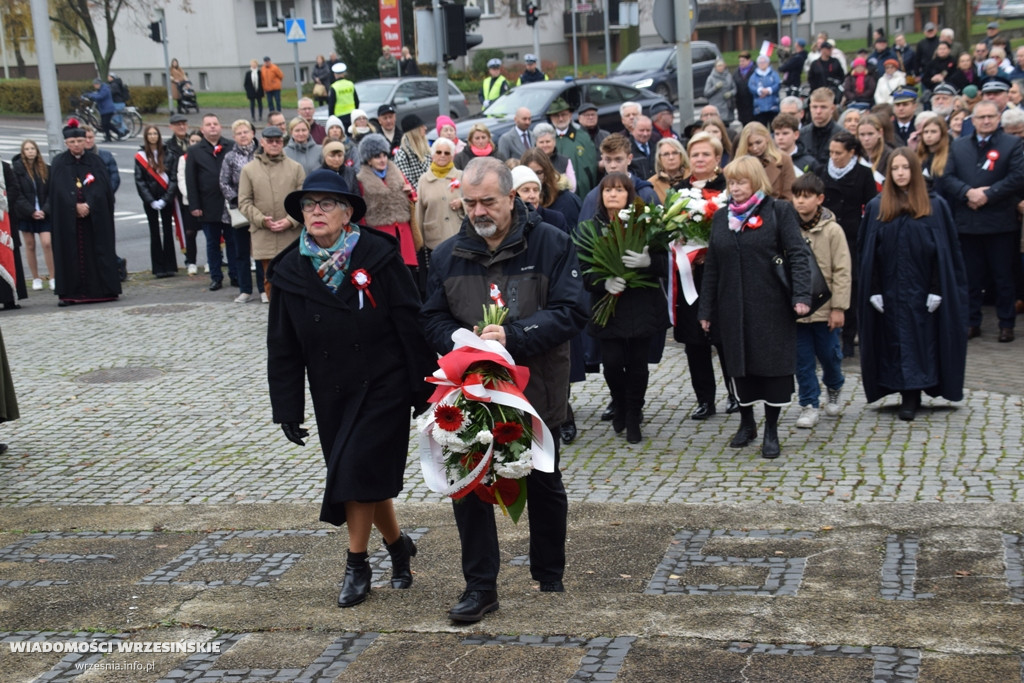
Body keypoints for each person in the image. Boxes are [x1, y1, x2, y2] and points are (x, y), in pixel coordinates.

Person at [421, 157, 588, 622]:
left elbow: (573, 311)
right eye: (470, 202)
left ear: (512, 198)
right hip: (470, 393)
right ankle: (480, 587)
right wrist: (462, 343)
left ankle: (549, 570)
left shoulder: (553, 243)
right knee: (468, 485)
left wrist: (515, 336)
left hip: (535, 389)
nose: (478, 210)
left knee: (543, 481)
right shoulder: (446, 254)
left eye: (488, 201)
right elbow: (430, 317)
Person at [267, 169, 433, 608]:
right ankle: (399, 547)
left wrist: (425, 389)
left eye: (326, 204)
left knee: (355, 472)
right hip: (331, 390)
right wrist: (287, 407)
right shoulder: (287, 269)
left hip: (384, 383)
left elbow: (409, 321)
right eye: (308, 205)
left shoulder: (378, 254)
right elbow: (282, 346)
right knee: (363, 476)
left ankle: (356, 564)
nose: (315, 211)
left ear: (346, 213)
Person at [698, 155, 814, 459]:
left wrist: (801, 296)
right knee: (739, 369)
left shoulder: (779, 211)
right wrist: (706, 310)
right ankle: (746, 423)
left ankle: (771, 430)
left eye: (741, 182)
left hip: (771, 307)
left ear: (755, 182)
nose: (734, 188)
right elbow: (713, 267)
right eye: (730, 182)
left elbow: (798, 255)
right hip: (732, 308)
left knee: (772, 370)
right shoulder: (722, 218)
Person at [859, 148, 968, 420]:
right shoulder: (877, 206)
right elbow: (869, 252)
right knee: (893, 339)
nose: (900, 173)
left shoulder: (935, 206)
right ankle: (901, 388)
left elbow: (945, 252)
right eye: (895, 169)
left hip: (923, 289)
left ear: (914, 171)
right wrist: (873, 289)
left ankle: (915, 391)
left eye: (905, 168)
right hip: (890, 288)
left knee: (923, 339)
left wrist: (937, 288)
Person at [580, 173, 669, 444]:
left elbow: (662, 263)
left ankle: (633, 415)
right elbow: (583, 269)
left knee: (638, 365)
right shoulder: (592, 227)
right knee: (613, 363)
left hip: (641, 304)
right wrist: (603, 282)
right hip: (610, 306)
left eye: (619, 189)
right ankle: (619, 402)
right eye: (607, 190)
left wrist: (647, 262)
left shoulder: (645, 223)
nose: (612, 194)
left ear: (629, 194)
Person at [938, 100, 1024, 342]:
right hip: (968, 222)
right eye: (981, 117)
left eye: (990, 116)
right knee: (971, 278)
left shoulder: (1013, 144)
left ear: (998, 118)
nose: (986, 121)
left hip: (1001, 223)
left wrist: (988, 194)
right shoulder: (958, 145)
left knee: (1003, 277)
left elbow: (1017, 176)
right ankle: (971, 322)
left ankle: (1006, 324)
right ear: (972, 121)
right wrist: (968, 192)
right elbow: (947, 177)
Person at [668, 132, 737, 421]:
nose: (699, 159)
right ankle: (704, 399)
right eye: (694, 154)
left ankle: (736, 394)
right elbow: (669, 229)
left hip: (721, 274)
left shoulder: (728, 189)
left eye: (705, 154)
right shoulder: (679, 191)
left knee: (724, 337)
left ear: (717, 158)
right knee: (696, 341)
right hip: (690, 275)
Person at [790, 173, 851, 429]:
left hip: (825, 309)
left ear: (820, 199)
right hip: (798, 310)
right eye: (796, 196)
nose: (800, 202)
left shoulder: (833, 230)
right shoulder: (788, 228)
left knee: (829, 355)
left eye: (807, 197)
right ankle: (809, 403)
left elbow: (842, 270)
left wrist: (838, 307)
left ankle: (834, 386)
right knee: (802, 360)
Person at [47, 121, 121, 306]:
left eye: (80, 141)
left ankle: (102, 290)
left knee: (97, 252)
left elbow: (103, 188)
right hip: (69, 221)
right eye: (72, 141)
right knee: (70, 253)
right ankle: (71, 292)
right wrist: (74, 206)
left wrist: (89, 204)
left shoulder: (95, 162)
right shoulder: (59, 163)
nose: (76, 145)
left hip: (93, 219)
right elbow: (58, 192)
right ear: (66, 143)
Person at [819, 129, 878, 357]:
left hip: (852, 236)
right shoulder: (823, 171)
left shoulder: (863, 173)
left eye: (839, 153)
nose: (834, 156)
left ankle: (848, 337)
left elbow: (871, 204)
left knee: (850, 286)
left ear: (851, 152)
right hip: (827, 235)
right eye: (831, 152)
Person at [238, 126, 305, 304]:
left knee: (294, 278)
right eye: (270, 141)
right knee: (269, 280)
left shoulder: (296, 168)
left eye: (278, 141)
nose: (274, 144)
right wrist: (261, 220)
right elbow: (244, 201)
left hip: (290, 234)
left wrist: (290, 221)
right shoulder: (249, 169)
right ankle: (276, 320)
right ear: (262, 142)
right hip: (264, 233)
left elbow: (304, 201)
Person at [355, 134, 420, 280]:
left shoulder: (397, 172)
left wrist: (410, 193)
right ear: (369, 160)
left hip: (404, 231)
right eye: (377, 156)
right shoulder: (361, 180)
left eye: (384, 155)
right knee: (387, 273)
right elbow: (362, 212)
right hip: (381, 232)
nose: (382, 159)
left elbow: (413, 197)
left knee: (408, 274)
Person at [185, 113, 236, 292]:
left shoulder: (231, 146)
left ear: (220, 127)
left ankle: (235, 274)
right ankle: (216, 277)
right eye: (208, 124)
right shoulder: (194, 151)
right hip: (208, 205)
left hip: (230, 204)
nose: (212, 127)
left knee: (233, 241)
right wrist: (195, 205)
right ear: (202, 129)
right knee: (212, 243)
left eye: (215, 123)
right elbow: (191, 180)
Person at [218, 120, 260, 302]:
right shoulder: (229, 157)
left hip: (259, 208)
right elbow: (223, 182)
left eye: (246, 131)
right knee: (241, 252)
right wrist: (238, 199)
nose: (243, 135)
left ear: (252, 133)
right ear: (234, 137)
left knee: (260, 251)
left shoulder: (261, 154)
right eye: (239, 133)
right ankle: (245, 289)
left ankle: (264, 289)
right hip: (238, 211)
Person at [134, 125, 179, 279]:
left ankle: (170, 266)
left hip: (166, 198)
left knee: (168, 231)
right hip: (150, 201)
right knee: (154, 232)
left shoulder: (169, 154)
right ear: (146, 137)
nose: (153, 136)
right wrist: (151, 200)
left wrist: (166, 199)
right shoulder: (140, 156)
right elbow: (139, 181)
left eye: (155, 134)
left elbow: (173, 178)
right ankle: (158, 268)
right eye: (150, 134)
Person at [11, 140, 54, 291]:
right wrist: (31, 211)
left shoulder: (46, 169)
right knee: (30, 245)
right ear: (23, 152)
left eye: (32, 148)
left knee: (47, 243)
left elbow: (51, 193)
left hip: (44, 213)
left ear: (37, 151)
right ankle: (36, 278)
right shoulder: (17, 170)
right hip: (26, 213)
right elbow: (17, 194)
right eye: (27, 149)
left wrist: (45, 210)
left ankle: (53, 277)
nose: (30, 151)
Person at [415, 136, 463, 254]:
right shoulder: (424, 180)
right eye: (439, 152)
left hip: (458, 235)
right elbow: (419, 211)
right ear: (433, 155)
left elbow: (472, 200)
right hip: (435, 239)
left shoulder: (461, 176)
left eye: (447, 153)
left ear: (452, 156)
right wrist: (418, 239)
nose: (442, 155)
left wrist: (462, 202)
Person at [548, 99, 598, 198]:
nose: (560, 119)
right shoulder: (546, 139)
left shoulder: (582, 137)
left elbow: (591, 169)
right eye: (556, 116)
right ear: (551, 118)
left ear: (570, 115)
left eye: (564, 114)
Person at [735, 122, 796, 200]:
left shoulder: (783, 159)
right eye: (750, 145)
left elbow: (789, 194)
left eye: (758, 142)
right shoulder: (739, 164)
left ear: (767, 138)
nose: (755, 148)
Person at [176, 128, 204, 276]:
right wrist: (192, 197)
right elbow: (181, 179)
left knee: (210, 233)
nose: (194, 144)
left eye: (198, 141)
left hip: (206, 201)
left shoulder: (207, 156)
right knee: (190, 232)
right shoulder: (183, 159)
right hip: (189, 202)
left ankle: (210, 262)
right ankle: (191, 261)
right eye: (192, 141)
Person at [800, 88, 840, 174]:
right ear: (810, 107)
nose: (818, 111)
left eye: (823, 107)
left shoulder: (842, 135)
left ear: (832, 109)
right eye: (814, 107)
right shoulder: (801, 134)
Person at [532, 123, 577, 193]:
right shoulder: (531, 161)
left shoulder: (565, 161)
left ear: (554, 142)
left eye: (548, 141)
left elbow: (572, 187)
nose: (545, 145)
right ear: (536, 143)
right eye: (541, 142)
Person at [394, 114, 430, 193]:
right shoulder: (402, 155)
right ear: (415, 131)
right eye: (422, 126)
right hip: (418, 199)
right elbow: (409, 183)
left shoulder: (426, 149)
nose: (425, 128)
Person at [916, 114, 951, 191]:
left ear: (942, 133)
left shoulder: (950, 156)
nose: (928, 135)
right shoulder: (919, 155)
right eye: (926, 132)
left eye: (933, 132)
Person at [648, 137, 689, 203]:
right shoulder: (651, 184)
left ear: (681, 155)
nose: (671, 157)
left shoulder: (692, 176)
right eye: (666, 154)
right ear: (659, 158)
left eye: (675, 153)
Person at [749, 55, 781, 127]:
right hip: (759, 108)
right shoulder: (754, 76)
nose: (762, 64)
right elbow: (751, 86)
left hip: (773, 106)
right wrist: (759, 90)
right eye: (760, 62)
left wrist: (769, 90)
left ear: (768, 63)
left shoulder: (773, 74)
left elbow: (777, 84)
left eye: (764, 62)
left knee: (775, 126)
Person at [858, 113, 893, 179]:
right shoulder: (855, 155)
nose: (866, 139)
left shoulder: (889, 156)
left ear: (880, 133)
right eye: (862, 135)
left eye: (870, 134)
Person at [83, 78, 118, 142]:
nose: (94, 86)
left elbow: (100, 96)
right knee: (105, 124)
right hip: (104, 109)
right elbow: (96, 94)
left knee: (105, 123)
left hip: (108, 109)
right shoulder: (101, 89)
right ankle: (109, 137)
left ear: (98, 84)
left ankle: (117, 134)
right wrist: (89, 94)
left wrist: (89, 95)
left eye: (95, 85)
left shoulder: (105, 89)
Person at [328, 63, 359, 132]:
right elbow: (356, 101)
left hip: (339, 116)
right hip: (352, 115)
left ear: (335, 75)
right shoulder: (350, 84)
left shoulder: (334, 87)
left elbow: (331, 104)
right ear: (343, 74)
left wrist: (330, 117)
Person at [705, 59, 737, 124]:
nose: (721, 67)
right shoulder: (711, 78)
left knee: (727, 125)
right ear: (715, 67)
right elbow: (706, 93)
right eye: (719, 66)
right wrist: (715, 88)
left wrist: (730, 93)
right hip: (716, 106)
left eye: (722, 65)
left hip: (727, 106)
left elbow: (734, 89)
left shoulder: (728, 76)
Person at [734, 51, 756, 125]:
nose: (741, 63)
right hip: (741, 103)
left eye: (743, 61)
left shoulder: (755, 70)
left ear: (748, 60)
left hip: (752, 102)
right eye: (740, 61)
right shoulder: (736, 72)